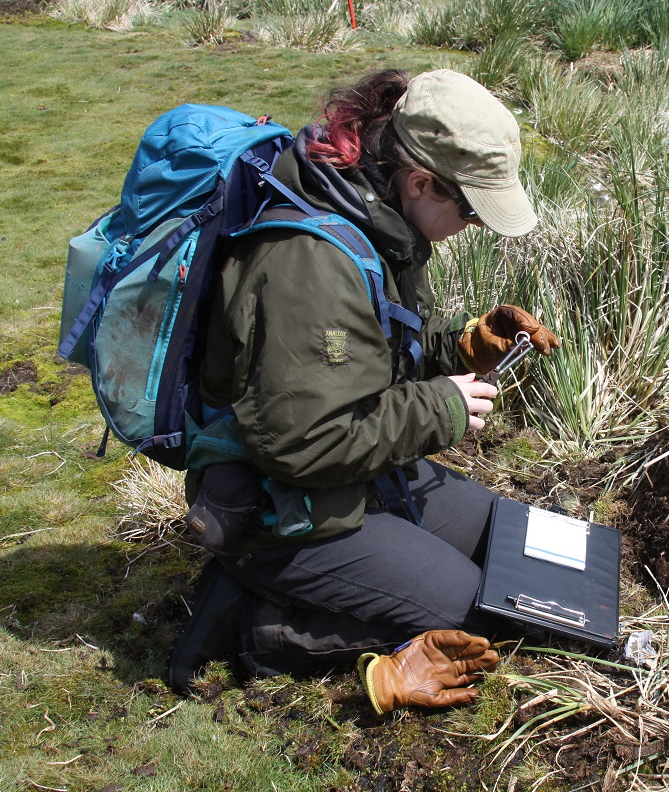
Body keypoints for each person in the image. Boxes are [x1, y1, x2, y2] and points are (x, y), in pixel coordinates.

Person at [167, 68, 561, 714]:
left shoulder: (375, 219)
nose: (473, 226)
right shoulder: (309, 263)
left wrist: (462, 347)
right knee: (479, 617)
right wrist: (444, 409)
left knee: (501, 539)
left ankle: (340, 585)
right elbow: (304, 443)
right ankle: (258, 627)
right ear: (419, 182)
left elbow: (364, 350)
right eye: (468, 209)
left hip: (341, 476)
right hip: (278, 510)